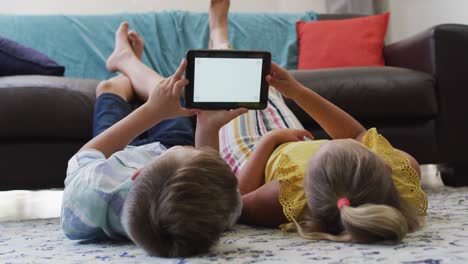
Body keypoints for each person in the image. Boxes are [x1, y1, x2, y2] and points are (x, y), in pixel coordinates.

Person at [212, 0, 427, 243]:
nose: (338, 139)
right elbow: (356, 133)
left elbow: (237, 200)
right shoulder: (400, 173)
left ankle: (218, 35)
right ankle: (221, 41)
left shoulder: (284, 197)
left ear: (307, 180)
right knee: (266, 92)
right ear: (382, 165)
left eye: (327, 145)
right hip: (290, 136)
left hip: (251, 154)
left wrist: (269, 140)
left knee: (232, 87)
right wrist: (296, 91)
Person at [60, 2, 247, 257]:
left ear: (136, 174)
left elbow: (86, 154)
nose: (194, 147)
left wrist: (151, 112)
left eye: (190, 150)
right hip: (165, 154)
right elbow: (207, 164)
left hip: (116, 156)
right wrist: (206, 125)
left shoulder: (91, 194)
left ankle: (126, 62)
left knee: (110, 89)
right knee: (170, 96)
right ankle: (130, 64)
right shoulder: (220, 209)